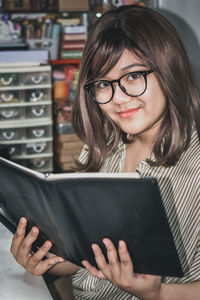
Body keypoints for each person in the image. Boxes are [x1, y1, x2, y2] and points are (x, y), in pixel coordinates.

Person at [10, 5, 200, 300]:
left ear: (168, 68)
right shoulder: (103, 145)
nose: (119, 98)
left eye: (133, 76)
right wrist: (45, 259)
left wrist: (158, 294)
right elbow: (86, 256)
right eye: (102, 83)